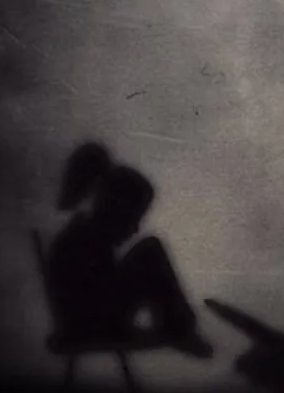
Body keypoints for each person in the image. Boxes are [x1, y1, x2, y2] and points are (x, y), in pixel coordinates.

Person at [45, 143, 212, 358]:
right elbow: (90, 303)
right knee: (151, 250)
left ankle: (180, 327)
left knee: (150, 251)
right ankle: (180, 328)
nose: (135, 229)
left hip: (91, 322)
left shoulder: (85, 236)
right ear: (116, 211)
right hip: (91, 327)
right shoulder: (83, 241)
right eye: (134, 218)